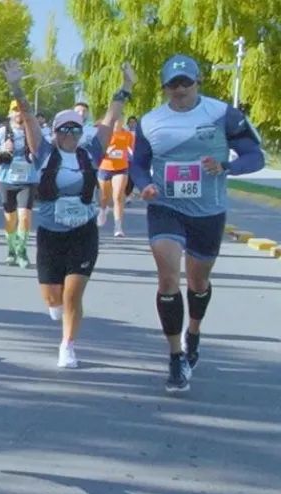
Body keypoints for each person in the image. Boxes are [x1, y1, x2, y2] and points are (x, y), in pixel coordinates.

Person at [130, 54, 264, 392]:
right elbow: (139, 163)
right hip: (166, 206)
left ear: (197, 82)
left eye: (185, 82)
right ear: (163, 88)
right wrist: (144, 183)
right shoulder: (150, 121)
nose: (179, 90)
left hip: (208, 210)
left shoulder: (221, 113)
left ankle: (194, 332)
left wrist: (227, 167)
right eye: (172, 84)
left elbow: (255, 155)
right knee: (167, 278)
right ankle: (175, 356)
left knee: (198, 280)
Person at [6, 61, 136, 368]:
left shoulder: (90, 151)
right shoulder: (44, 152)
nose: (70, 134)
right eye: (64, 129)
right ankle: (57, 308)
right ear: (54, 132)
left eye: (75, 128)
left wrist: (126, 85)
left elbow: (111, 115)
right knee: (53, 298)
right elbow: (26, 116)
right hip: (51, 233)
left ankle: (67, 345)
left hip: (83, 231)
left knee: (73, 295)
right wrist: (16, 86)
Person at [0, 99, 37, 268]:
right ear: (10, 113)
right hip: (7, 180)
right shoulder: (2, 132)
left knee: (24, 217)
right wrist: (2, 148)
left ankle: (21, 251)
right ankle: (11, 250)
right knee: (10, 219)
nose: (18, 114)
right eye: (15, 110)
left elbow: (45, 154)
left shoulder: (34, 131)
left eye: (21, 110)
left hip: (28, 181)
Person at [97, 118, 135, 237]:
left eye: (119, 122)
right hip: (105, 167)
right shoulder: (104, 134)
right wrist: (107, 150)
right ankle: (103, 210)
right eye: (114, 123)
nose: (116, 125)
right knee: (104, 197)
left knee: (118, 196)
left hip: (121, 168)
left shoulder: (127, 135)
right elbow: (97, 150)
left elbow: (132, 150)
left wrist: (129, 154)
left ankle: (118, 227)